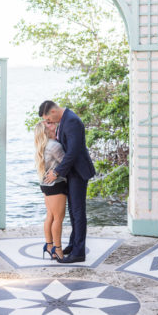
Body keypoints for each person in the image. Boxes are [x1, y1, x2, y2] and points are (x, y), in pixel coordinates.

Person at [39, 100, 96, 263]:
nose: (49, 123)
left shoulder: (71, 121)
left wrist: (56, 172)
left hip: (78, 172)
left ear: (53, 112)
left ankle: (78, 253)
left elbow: (72, 152)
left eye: (48, 120)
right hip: (72, 172)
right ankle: (73, 245)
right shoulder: (65, 120)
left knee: (78, 212)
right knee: (73, 211)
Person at [34, 120, 67, 261]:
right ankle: (58, 249)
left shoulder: (41, 146)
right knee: (58, 218)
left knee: (50, 216)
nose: (52, 125)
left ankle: (49, 245)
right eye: (49, 125)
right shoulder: (54, 146)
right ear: (46, 131)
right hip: (56, 184)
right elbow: (66, 163)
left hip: (45, 184)